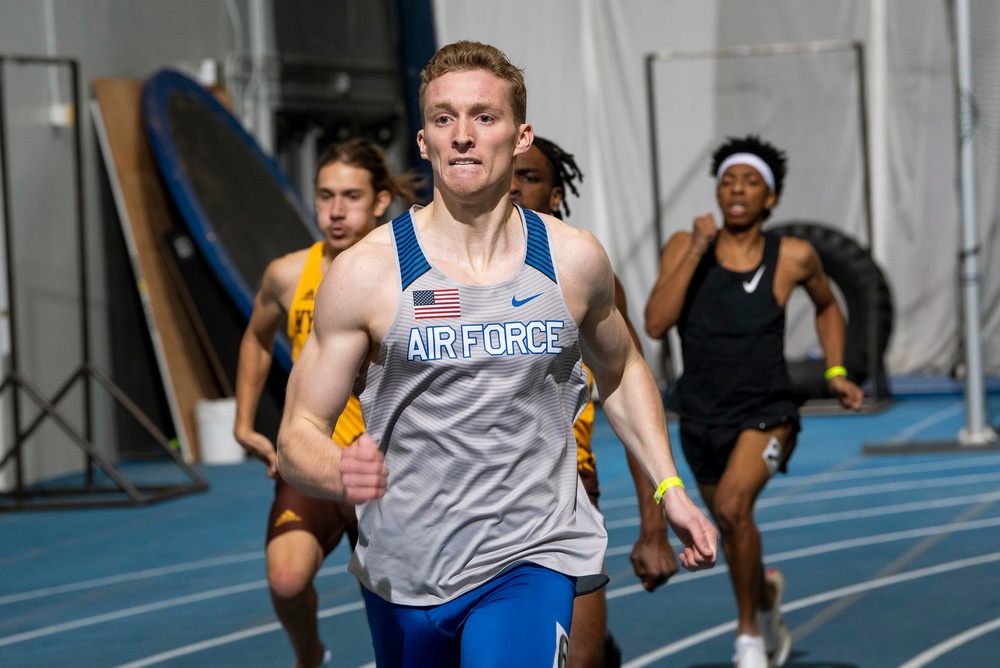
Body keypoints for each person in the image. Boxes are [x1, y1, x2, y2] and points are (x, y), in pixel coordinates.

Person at [277, 41, 718, 668]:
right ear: (425, 141)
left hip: (531, 553)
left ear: (519, 136)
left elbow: (620, 371)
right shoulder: (366, 274)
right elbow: (299, 431)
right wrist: (338, 472)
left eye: (484, 117)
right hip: (405, 567)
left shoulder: (572, 260)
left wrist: (670, 487)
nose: (462, 136)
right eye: (443, 118)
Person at [644, 135, 864, 668]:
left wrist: (835, 370)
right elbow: (655, 322)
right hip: (701, 414)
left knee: (731, 508)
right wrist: (697, 250)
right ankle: (765, 600)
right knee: (732, 524)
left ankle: (749, 639)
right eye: (727, 181)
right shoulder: (684, 245)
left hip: (768, 412)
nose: (736, 190)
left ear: (771, 199)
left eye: (751, 183)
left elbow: (828, 307)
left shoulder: (792, 255)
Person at [233, 137, 422, 668]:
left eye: (351, 196)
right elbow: (255, 337)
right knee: (287, 580)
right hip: (316, 457)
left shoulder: (404, 270)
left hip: (387, 467)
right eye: (324, 196)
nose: (335, 211)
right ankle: (309, 656)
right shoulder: (288, 273)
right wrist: (245, 422)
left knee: (399, 614)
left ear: (381, 200)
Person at [510, 136, 680, 668]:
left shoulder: (584, 275)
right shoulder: (434, 273)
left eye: (530, 177)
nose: (514, 185)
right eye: (507, 173)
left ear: (557, 195)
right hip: (458, 499)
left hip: (564, 488)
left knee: (577, 662)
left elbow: (627, 392)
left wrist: (654, 528)